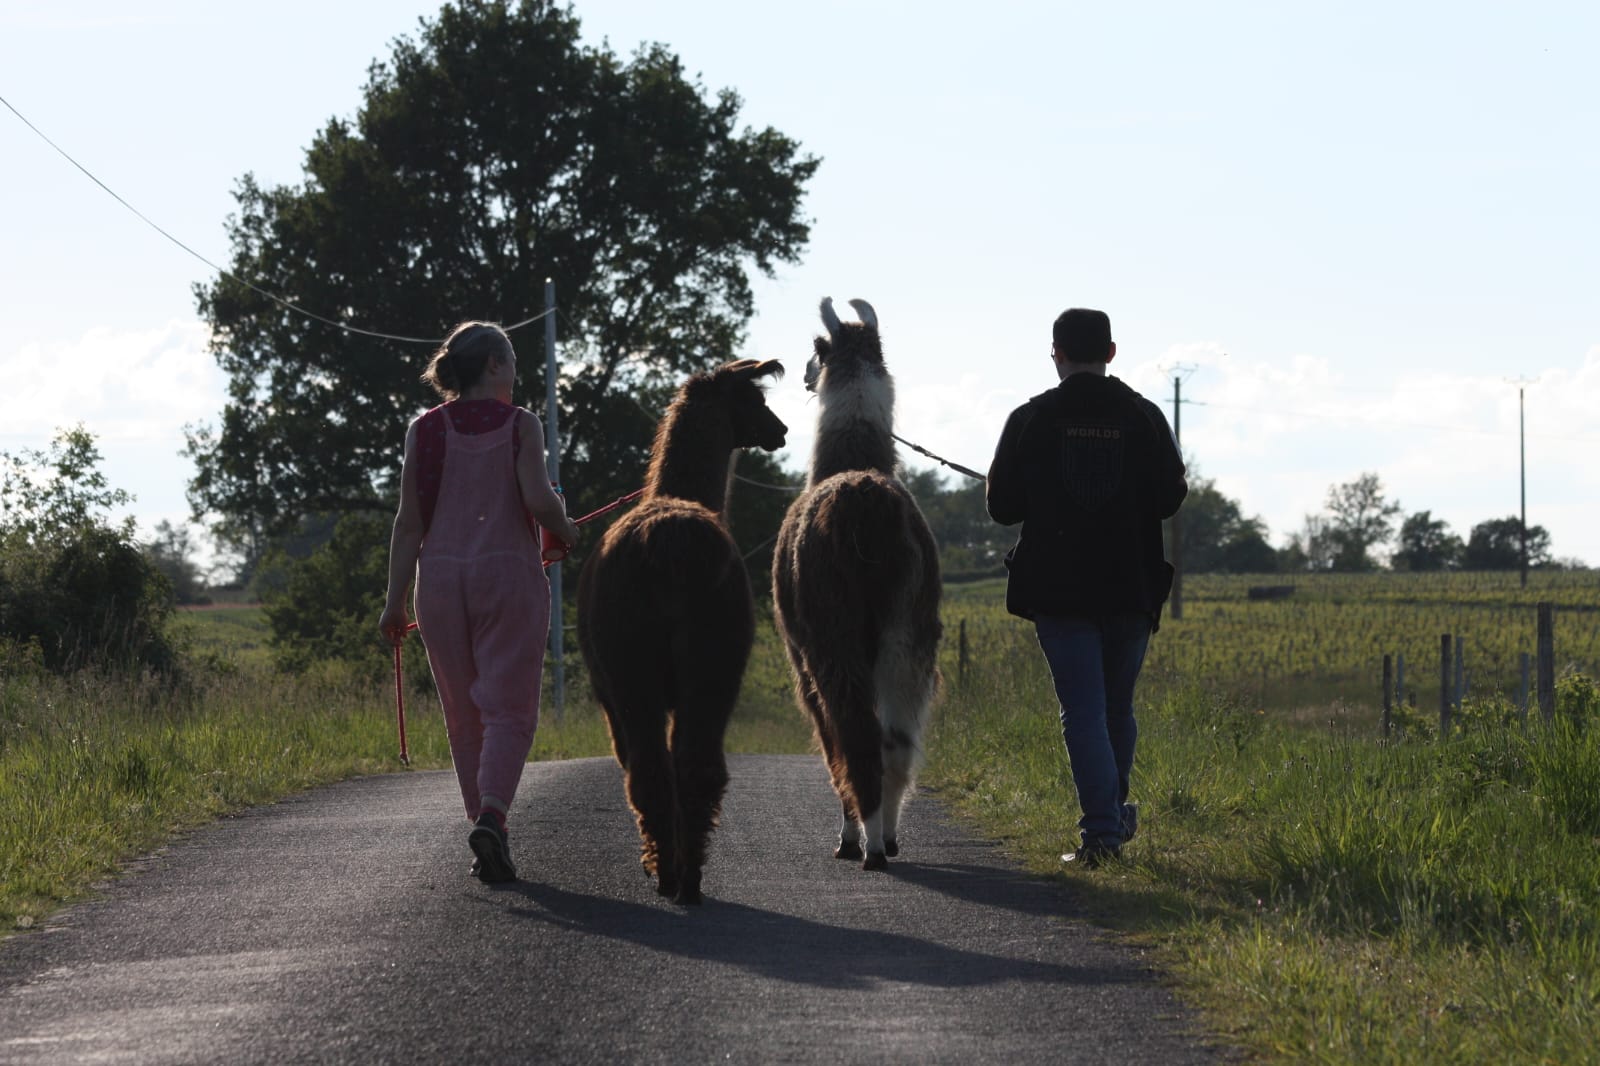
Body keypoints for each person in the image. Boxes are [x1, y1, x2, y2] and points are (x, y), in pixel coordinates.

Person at [379, 321, 581, 883]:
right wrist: (566, 528)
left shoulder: (424, 429)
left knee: (464, 714)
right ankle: (492, 814)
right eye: (511, 359)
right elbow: (539, 498)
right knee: (508, 708)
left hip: (440, 585)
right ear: (494, 365)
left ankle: (488, 830)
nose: (516, 370)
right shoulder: (521, 424)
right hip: (508, 578)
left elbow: (408, 523)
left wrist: (394, 603)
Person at [986, 308, 1187, 868]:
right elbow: (1170, 497)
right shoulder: (1145, 416)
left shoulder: (1029, 418)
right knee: (1117, 708)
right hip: (1132, 585)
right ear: (1112, 352)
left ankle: (1102, 834)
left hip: (1060, 590)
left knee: (1083, 712)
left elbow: (1002, 507)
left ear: (1056, 353)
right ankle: (1112, 820)